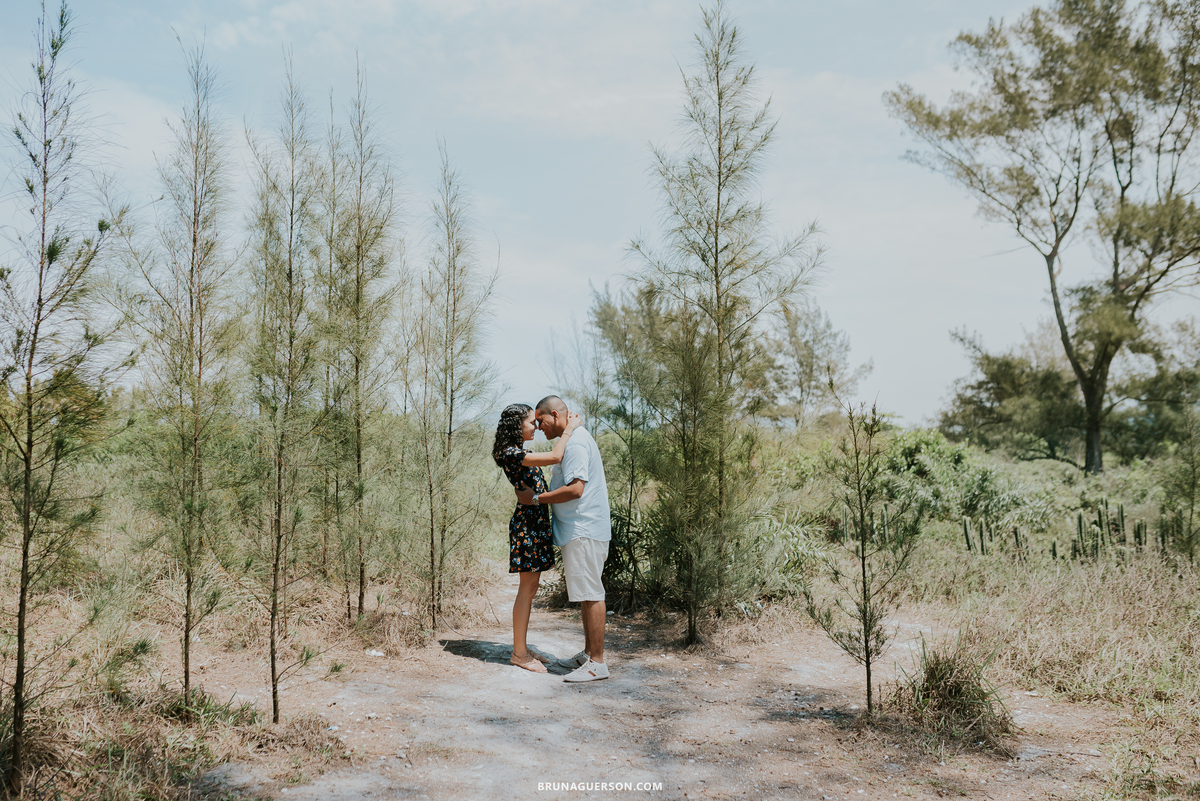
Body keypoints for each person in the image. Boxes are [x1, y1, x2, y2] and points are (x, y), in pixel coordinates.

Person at [515, 395, 611, 683]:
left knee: (592, 593)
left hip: (584, 530)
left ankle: (597, 663)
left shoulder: (577, 442)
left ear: (555, 415)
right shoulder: (572, 439)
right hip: (579, 531)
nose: (540, 428)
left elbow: (575, 489)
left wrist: (536, 499)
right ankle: (587, 654)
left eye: (541, 421)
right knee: (585, 593)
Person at [492, 402, 581, 672]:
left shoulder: (519, 452)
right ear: (517, 426)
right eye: (532, 422)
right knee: (526, 589)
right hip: (527, 526)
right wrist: (570, 429)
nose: (537, 427)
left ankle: (522, 646)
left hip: (535, 523)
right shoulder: (512, 454)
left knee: (530, 589)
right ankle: (519, 653)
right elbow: (555, 456)